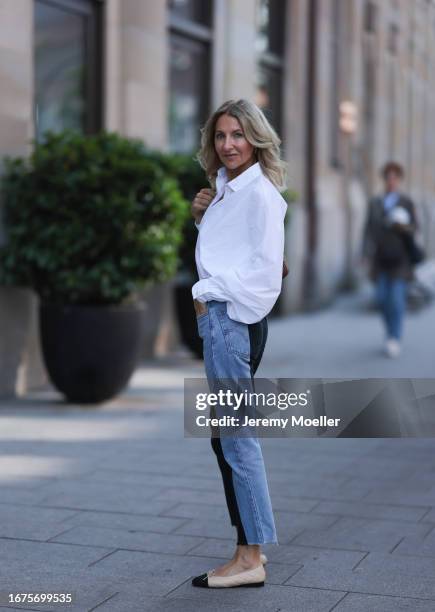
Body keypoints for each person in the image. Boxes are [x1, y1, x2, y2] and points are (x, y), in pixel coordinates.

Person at [189, 99, 287, 588]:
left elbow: (267, 275)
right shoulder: (228, 189)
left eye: (238, 135)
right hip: (223, 322)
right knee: (224, 437)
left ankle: (250, 558)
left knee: (235, 436)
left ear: (256, 139)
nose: (229, 145)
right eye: (221, 136)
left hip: (231, 322)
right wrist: (200, 215)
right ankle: (248, 549)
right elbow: (228, 250)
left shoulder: (260, 194)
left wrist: (210, 294)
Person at [362, 162, 418, 358]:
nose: (391, 181)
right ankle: (389, 332)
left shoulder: (406, 202)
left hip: (400, 259)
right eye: (388, 177)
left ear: (399, 179)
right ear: (384, 179)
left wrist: (403, 226)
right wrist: (364, 254)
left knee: (396, 300)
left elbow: (414, 228)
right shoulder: (376, 202)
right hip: (380, 259)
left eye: (395, 177)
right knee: (382, 299)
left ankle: (394, 336)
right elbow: (368, 229)